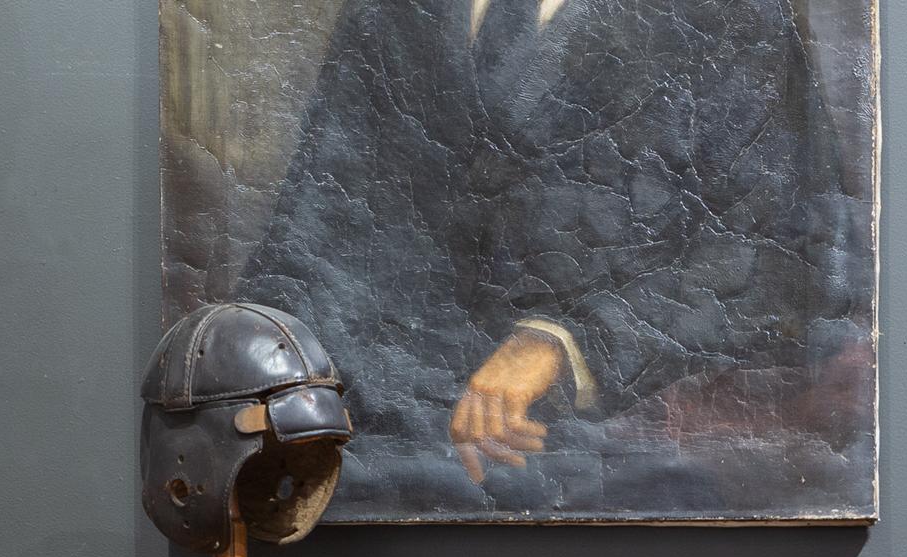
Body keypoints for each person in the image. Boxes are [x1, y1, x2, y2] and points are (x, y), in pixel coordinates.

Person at [239, 0, 852, 513]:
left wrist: (567, 344)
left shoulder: (730, 13)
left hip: (622, 477)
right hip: (376, 458)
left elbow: (797, 264)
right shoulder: (388, 10)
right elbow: (311, 235)